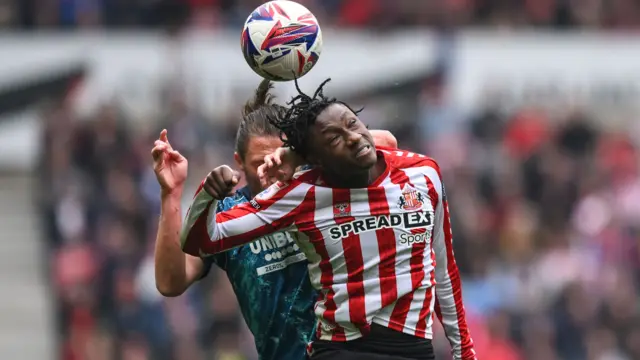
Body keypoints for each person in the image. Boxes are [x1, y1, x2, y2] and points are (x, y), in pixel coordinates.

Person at [178, 78, 476, 360]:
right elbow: (201, 240)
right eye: (335, 139)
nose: (353, 138)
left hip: (415, 349)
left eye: (353, 124)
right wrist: (207, 193)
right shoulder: (302, 192)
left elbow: (444, 274)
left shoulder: (423, 174)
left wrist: (465, 353)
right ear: (316, 161)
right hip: (342, 350)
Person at [152, 79, 398, 360]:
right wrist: (170, 193)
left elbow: (386, 141)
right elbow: (171, 282)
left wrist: (302, 154)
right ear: (239, 162)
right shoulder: (228, 213)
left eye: (278, 157)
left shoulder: (322, 188)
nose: (270, 169)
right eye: (259, 163)